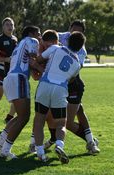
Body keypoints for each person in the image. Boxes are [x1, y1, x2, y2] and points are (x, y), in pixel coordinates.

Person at [33, 20, 100, 155]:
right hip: (62, 83)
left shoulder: (81, 51)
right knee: (55, 117)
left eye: (78, 31)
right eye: (74, 29)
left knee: (67, 121)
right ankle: (55, 140)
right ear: (69, 29)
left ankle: (91, 142)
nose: (74, 32)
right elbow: (45, 39)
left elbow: (72, 76)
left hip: (71, 85)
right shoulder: (61, 36)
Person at [32, 30, 84, 164]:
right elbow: (71, 79)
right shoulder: (78, 64)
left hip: (45, 84)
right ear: (80, 47)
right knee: (61, 123)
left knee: (39, 120)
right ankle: (59, 145)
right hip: (60, 89)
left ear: (68, 41)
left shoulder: (55, 48)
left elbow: (38, 59)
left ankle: (40, 153)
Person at [0, 26, 43, 159]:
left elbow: (32, 69)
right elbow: (34, 59)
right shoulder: (31, 41)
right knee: (24, 117)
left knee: (20, 116)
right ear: (31, 34)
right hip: (19, 79)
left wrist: (37, 70)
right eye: (38, 34)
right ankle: (5, 150)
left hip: (11, 78)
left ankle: (0, 142)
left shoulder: (19, 46)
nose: (40, 37)